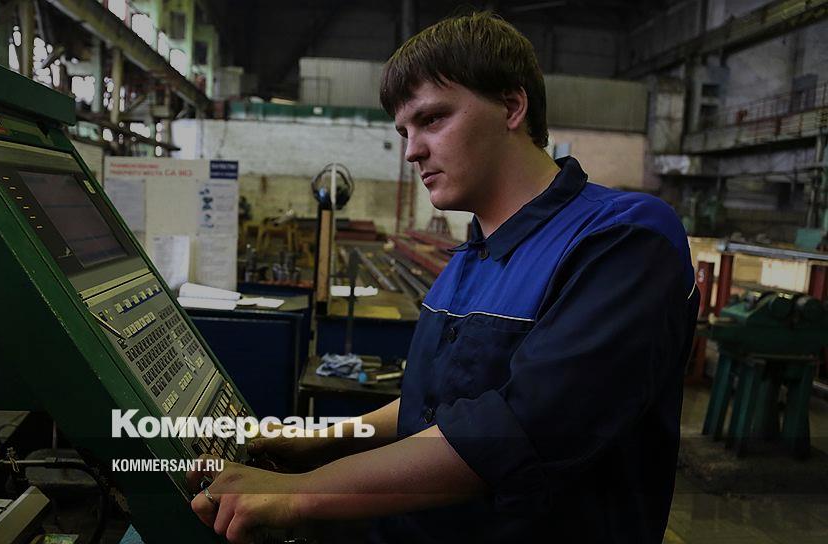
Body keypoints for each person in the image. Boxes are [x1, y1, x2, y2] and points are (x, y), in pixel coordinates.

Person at [187, 12, 698, 543]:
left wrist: (298, 495)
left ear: (512, 106)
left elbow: (517, 429)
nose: (412, 149)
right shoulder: (467, 261)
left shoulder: (623, 239)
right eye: (404, 131)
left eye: (431, 119)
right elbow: (432, 405)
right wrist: (323, 438)